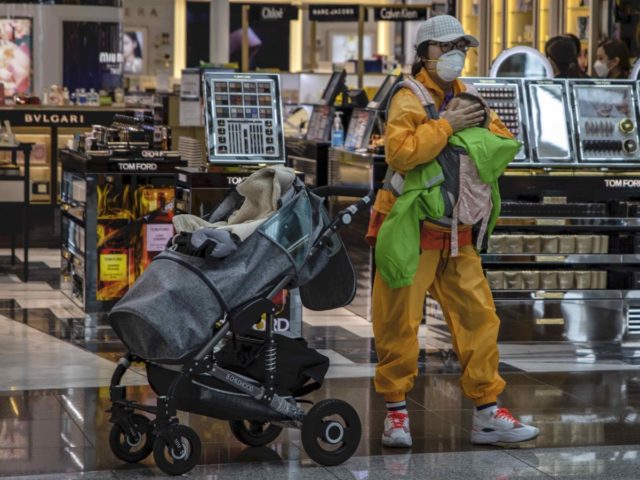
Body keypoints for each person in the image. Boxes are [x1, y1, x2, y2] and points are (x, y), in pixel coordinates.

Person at [367, 14, 540, 449]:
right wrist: (449, 126)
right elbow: (402, 154)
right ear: (424, 52)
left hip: (458, 233)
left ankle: (487, 412)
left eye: (460, 46)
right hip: (409, 230)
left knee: (479, 319)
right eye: (446, 47)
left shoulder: (471, 94)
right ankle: (396, 414)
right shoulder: (409, 97)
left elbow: (501, 143)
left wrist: (473, 123)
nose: (454, 55)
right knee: (398, 322)